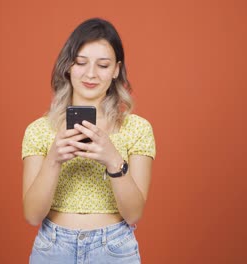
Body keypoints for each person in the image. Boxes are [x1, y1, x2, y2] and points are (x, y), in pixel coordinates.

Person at [22, 17, 156, 264]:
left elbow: (134, 214)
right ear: (69, 67)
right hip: (53, 248)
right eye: (81, 63)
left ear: (116, 69)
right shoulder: (39, 130)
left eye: (103, 65)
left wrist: (113, 160)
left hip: (115, 250)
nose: (91, 74)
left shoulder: (137, 129)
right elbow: (32, 215)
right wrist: (53, 159)